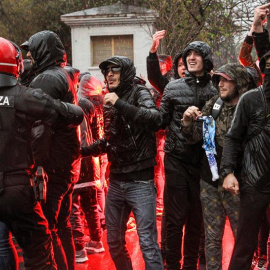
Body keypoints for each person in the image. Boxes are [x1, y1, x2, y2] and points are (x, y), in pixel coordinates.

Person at [0, 37, 83, 270]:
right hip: (19, 188)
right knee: (38, 252)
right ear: (14, 64)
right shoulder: (24, 96)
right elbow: (75, 114)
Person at [81, 55, 164, 270]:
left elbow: (154, 119)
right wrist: (81, 152)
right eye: (107, 71)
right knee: (114, 243)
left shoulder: (139, 92)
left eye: (114, 70)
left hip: (140, 182)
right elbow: (110, 141)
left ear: (125, 72)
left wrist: (119, 103)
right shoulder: (109, 99)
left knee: (147, 243)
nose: (109, 74)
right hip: (116, 181)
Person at [181, 63, 249, 270]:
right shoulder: (214, 104)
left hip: (240, 185)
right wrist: (186, 122)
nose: (221, 84)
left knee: (243, 239)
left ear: (239, 82)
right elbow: (195, 138)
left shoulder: (250, 106)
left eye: (226, 79)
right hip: (209, 180)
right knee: (211, 239)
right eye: (219, 79)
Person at [159, 41, 217, 270]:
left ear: (206, 59)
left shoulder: (215, 89)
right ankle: (172, 265)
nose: (191, 58)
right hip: (176, 159)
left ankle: (190, 266)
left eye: (197, 55)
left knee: (196, 220)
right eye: (188, 55)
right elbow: (160, 121)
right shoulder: (172, 87)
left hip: (203, 163)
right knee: (175, 219)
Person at [220, 39, 270, 270]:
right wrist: (228, 172)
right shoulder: (251, 99)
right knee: (244, 245)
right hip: (254, 181)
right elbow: (233, 137)